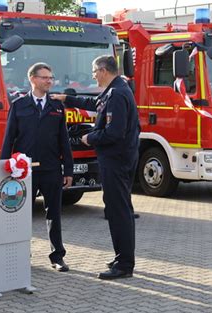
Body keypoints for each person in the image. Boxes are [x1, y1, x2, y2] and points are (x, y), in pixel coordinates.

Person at [52, 55, 140, 279]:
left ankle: (124, 265)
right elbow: (94, 104)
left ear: (103, 70)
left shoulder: (118, 94)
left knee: (118, 211)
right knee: (119, 209)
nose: (92, 76)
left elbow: (114, 132)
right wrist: (68, 99)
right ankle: (123, 256)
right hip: (120, 159)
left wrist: (90, 138)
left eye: (93, 71)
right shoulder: (115, 90)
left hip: (116, 160)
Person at [1, 62, 73, 272]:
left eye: (51, 78)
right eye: (45, 78)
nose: (49, 81)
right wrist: (5, 167)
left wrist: (67, 170)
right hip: (25, 170)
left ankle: (57, 256)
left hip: (51, 168)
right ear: (32, 79)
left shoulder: (56, 107)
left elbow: (64, 141)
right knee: (22, 214)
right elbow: (9, 139)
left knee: (54, 214)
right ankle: (22, 254)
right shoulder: (19, 105)